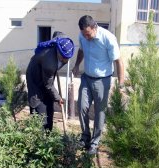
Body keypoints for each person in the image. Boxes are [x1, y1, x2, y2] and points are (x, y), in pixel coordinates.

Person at [72, 15, 125, 155]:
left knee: (99, 112)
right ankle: (85, 137)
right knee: (82, 106)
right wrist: (77, 65)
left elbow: (119, 61)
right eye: (84, 34)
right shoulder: (82, 35)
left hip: (102, 80)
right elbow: (81, 50)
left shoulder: (108, 38)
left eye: (88, 34)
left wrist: (121, 84)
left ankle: (95, 143)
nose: (86, 37)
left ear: (95, 27)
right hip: (86, 78)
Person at [26, 36, 75, 131]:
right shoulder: (50, 64)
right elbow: (48, 85)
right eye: (64, 58)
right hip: (35, 78)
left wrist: (54, 97)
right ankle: (39, 133)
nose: (66, 61)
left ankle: (48, 131)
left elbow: (58, 34)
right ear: (58, 53)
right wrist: (58, 98)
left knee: (49, 103)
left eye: (68, 58)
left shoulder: (61, 44)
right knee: (38, 104)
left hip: (45, 76)